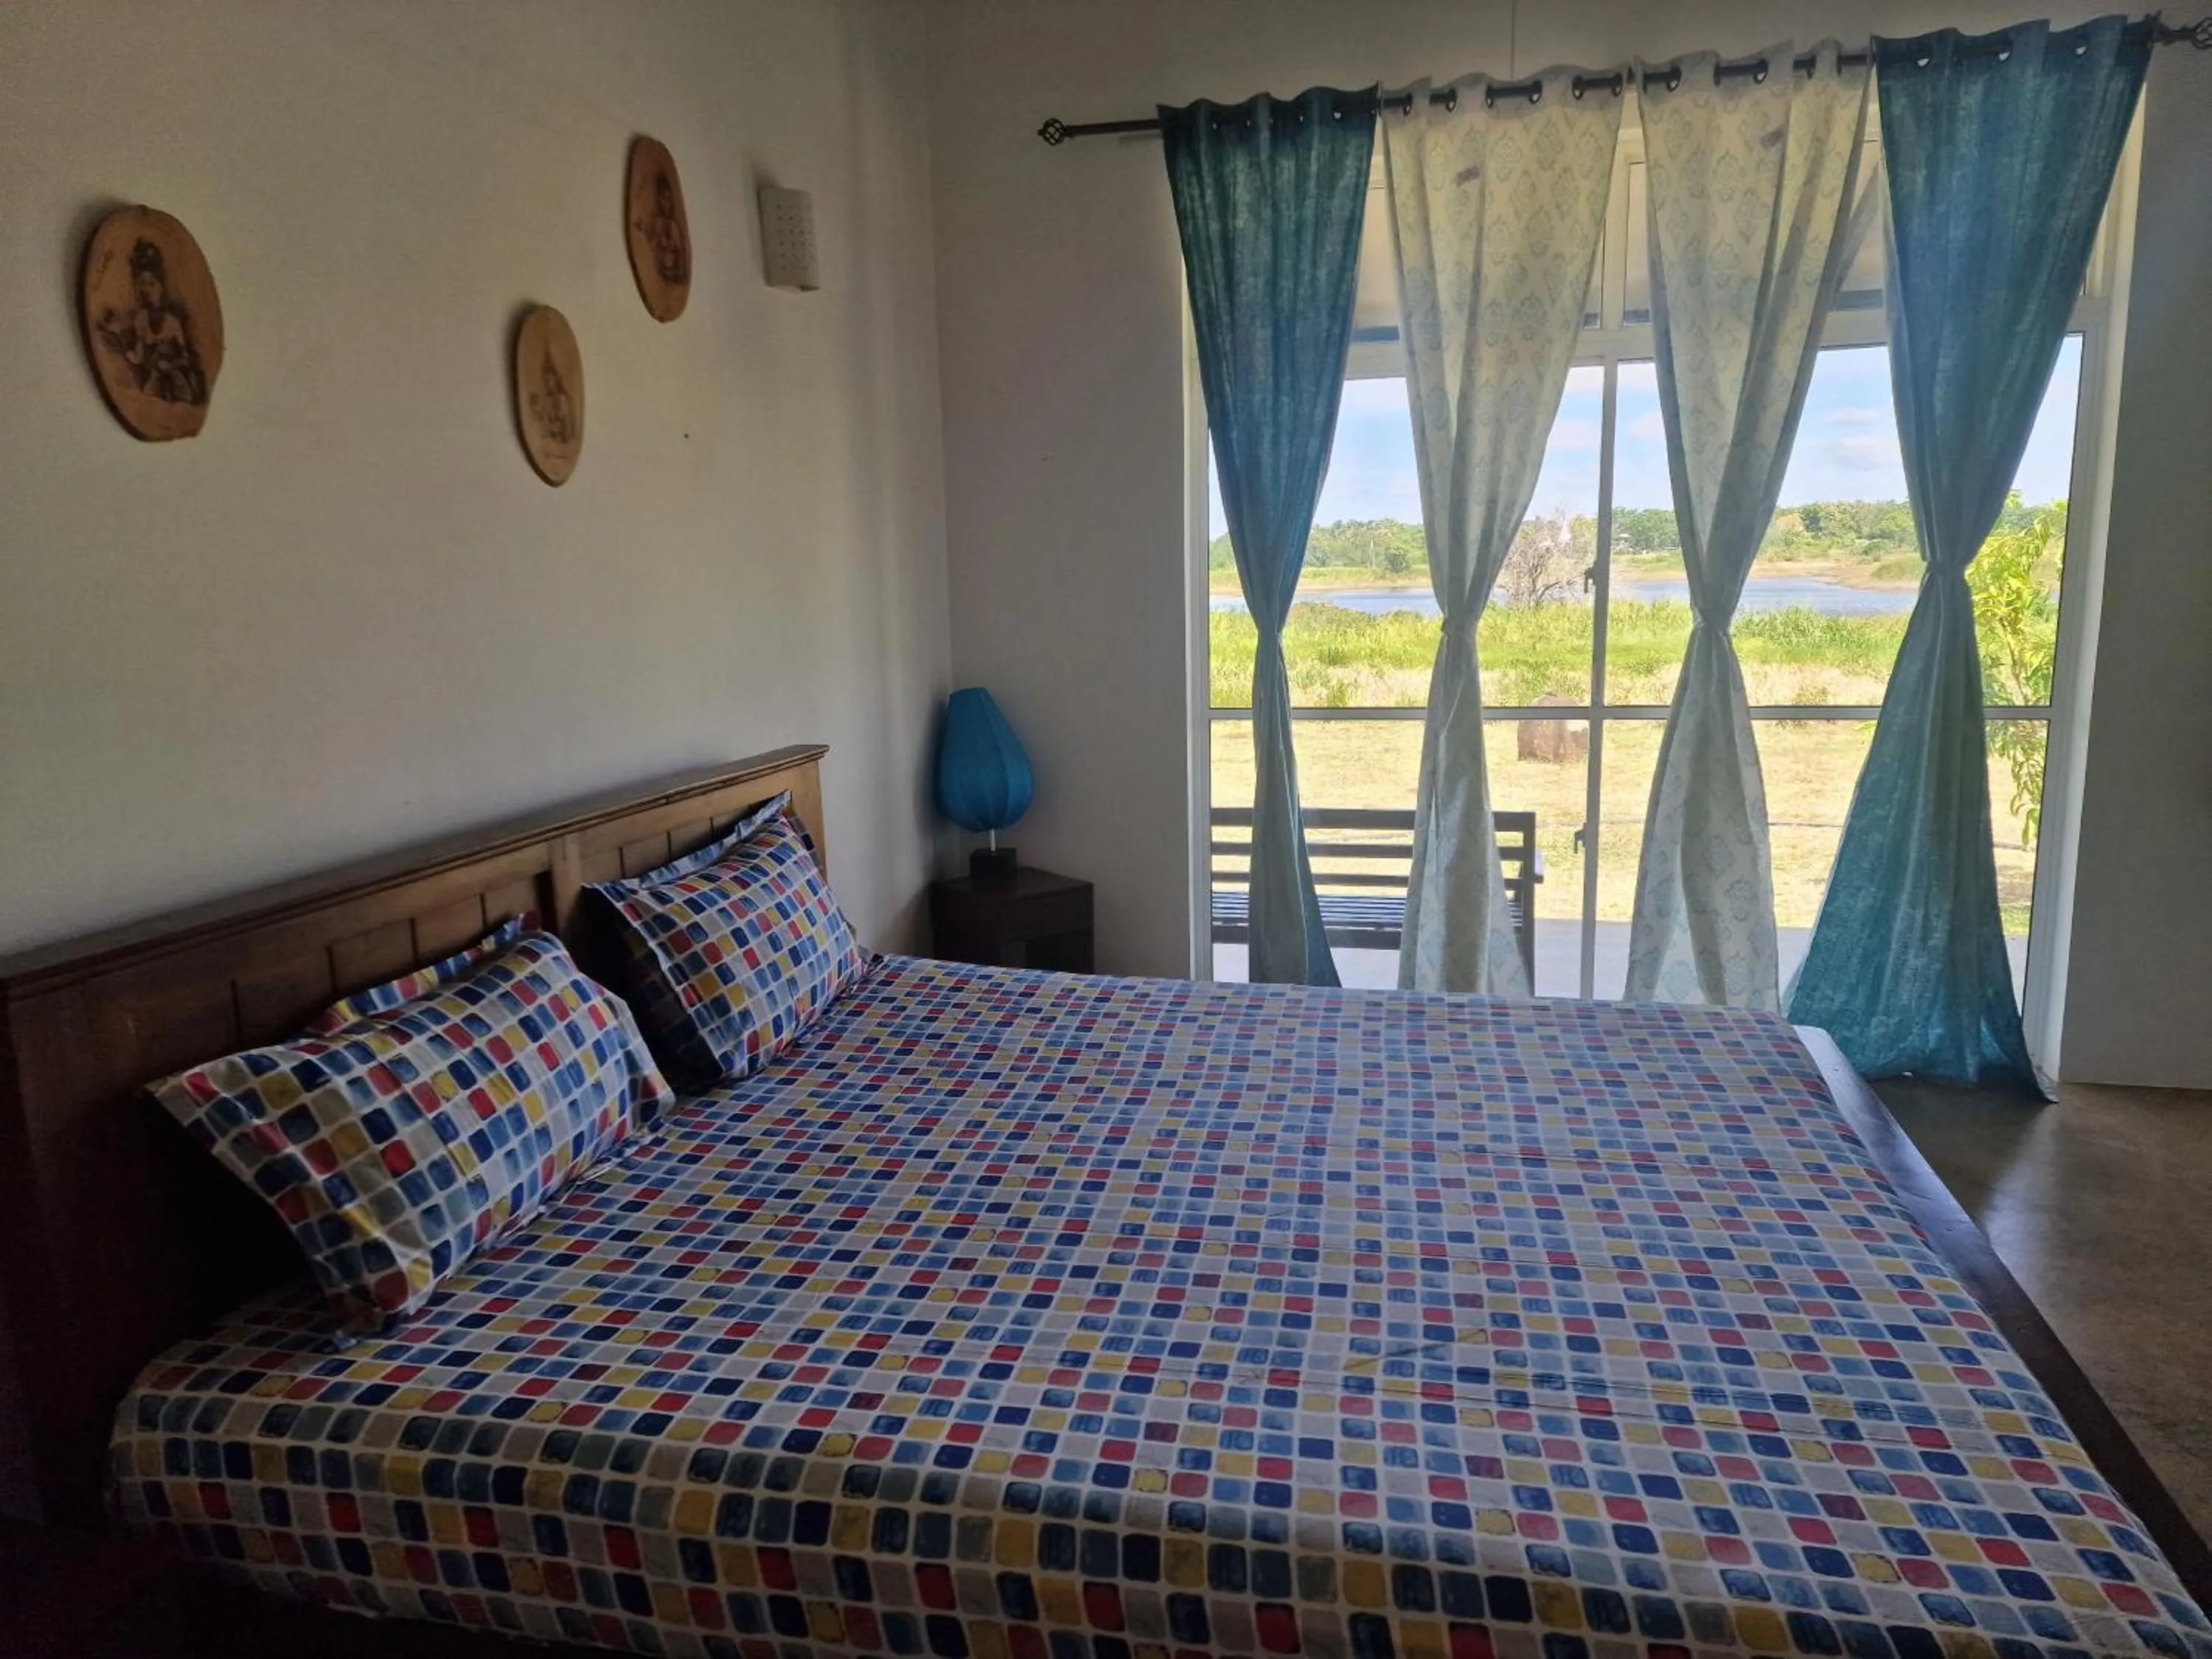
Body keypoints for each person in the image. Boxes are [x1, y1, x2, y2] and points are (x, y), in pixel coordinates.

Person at [97, 239, 206, 405]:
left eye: (151, 284)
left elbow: (186, 358)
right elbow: (139, 357)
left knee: (182, 397)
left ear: (161, 286)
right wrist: (120, 341)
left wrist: (171, 365)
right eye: (142, 284)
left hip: (176, 378)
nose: (147, 289)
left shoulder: (173, 321)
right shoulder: (141, 318)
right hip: (155, 379)